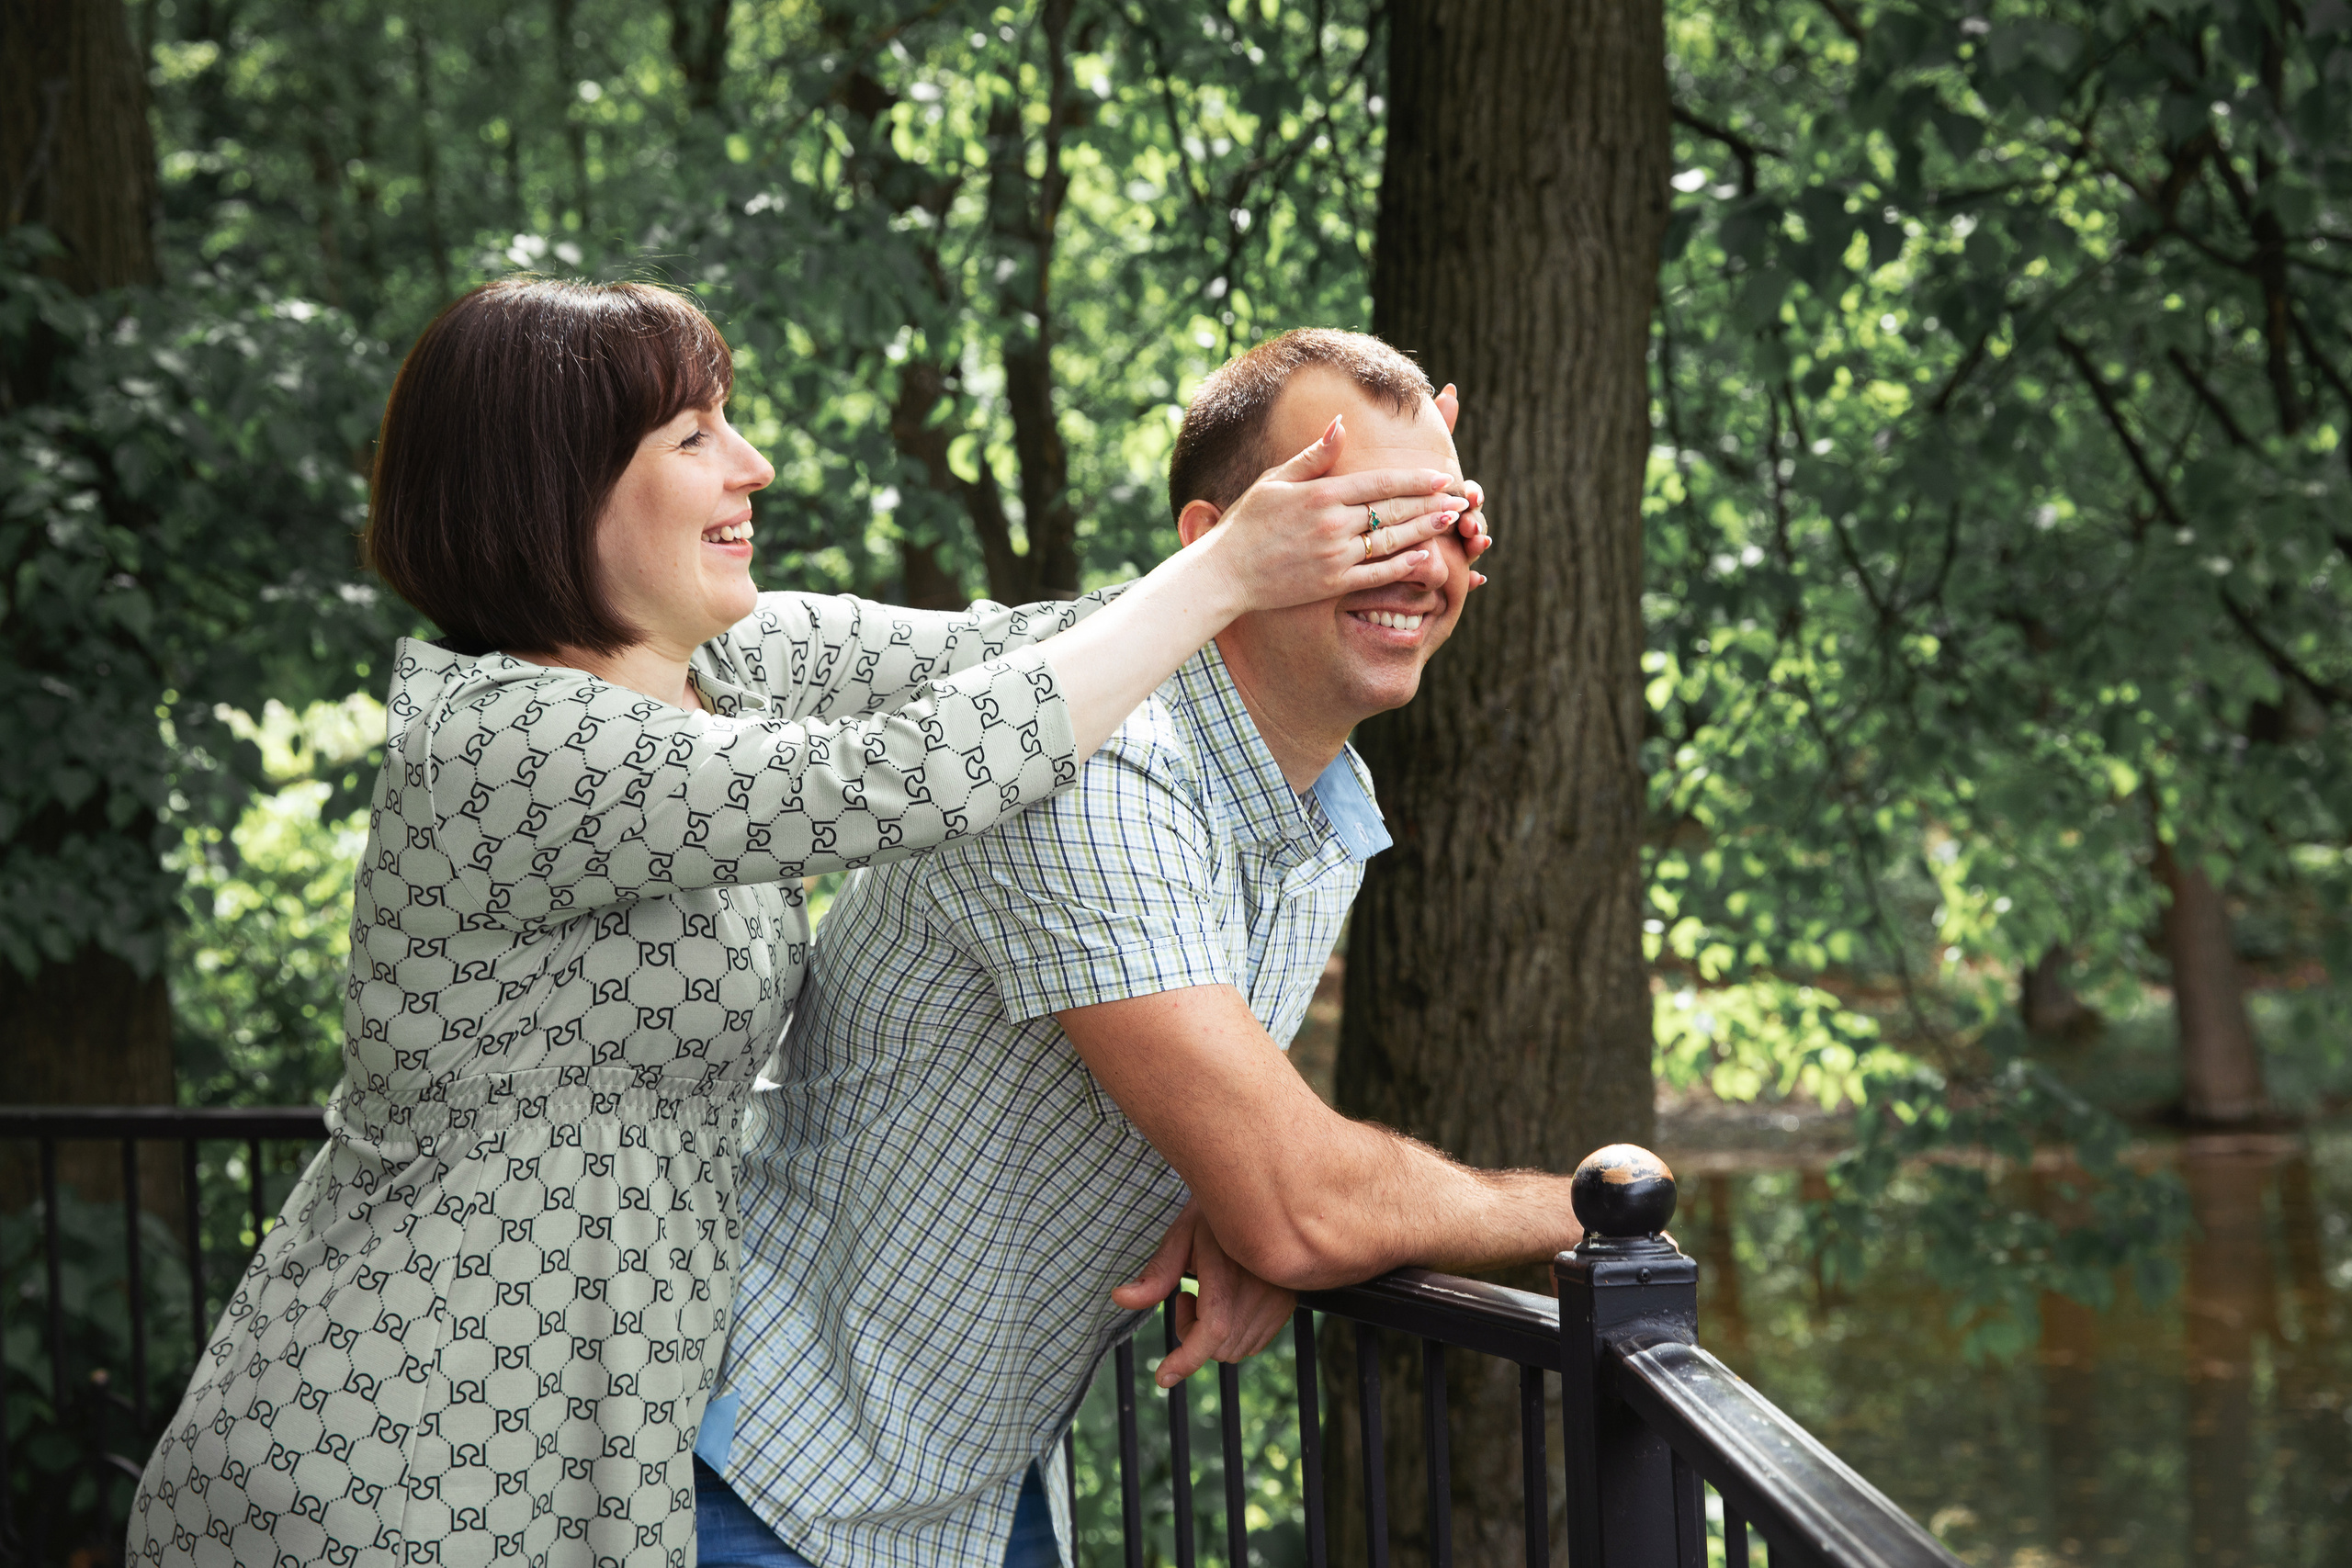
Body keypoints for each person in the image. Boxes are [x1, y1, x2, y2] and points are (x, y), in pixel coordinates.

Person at [125, 283, 1481, 1568]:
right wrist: (1235, 567)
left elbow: (1020, 654)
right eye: (697, 434)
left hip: (592, 1453)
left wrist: (1374, 529)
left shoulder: (724, 661)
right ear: (552, 485)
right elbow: (919, 770)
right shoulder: (495, 743)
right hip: (391, 1446)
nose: (754, 464)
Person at [701, 328, 1588, 1568]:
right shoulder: (1106, 770)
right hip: (766, 1482)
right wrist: (1583, 1206)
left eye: (1442, 518)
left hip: (971, 1493)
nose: (1415, 558)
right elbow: (1301, 1211)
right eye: (1359, 516)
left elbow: (1272, 1184)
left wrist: (1247, 1186)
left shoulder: (1316, 802)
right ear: (1215, 543)